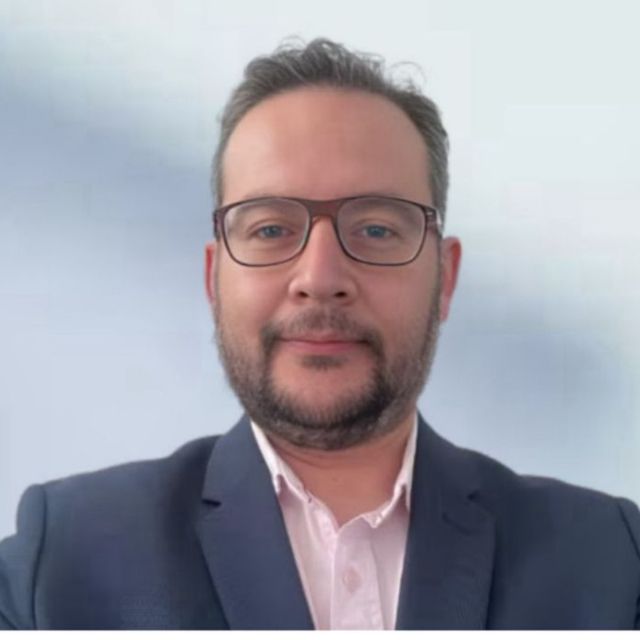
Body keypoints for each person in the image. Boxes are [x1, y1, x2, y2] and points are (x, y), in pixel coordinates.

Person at [0, 37, 638, 631]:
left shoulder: (607, 558)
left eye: (377, 229)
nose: (321, 278)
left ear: (445, 278)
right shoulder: (60, 562)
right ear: (214, 277)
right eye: (271, 229)